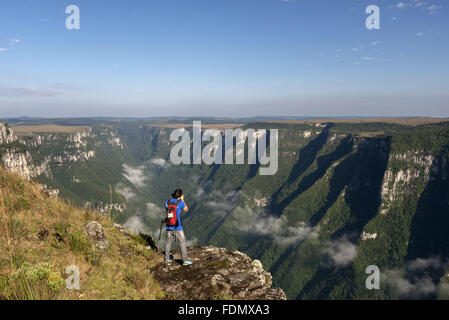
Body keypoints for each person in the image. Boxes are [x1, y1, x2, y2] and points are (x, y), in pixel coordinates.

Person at [164, 189, 193, 266]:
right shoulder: (180, 203)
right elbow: (186, 209)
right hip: (177, 227)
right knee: (182, 242)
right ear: (180, 196)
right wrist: (182, 200)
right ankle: (185, 260)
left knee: (168, 241)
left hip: (168, 225)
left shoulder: (167, 202)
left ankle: (167, 258)